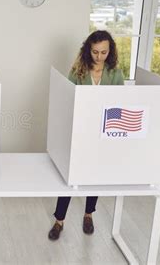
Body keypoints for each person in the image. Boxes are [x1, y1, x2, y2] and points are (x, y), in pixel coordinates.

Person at [48, 30, 124, 241]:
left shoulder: (115, 73)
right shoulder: (78, 71)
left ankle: (88, 214)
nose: (99, 56)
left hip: (102, 132)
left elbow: (120, 103)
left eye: (103, 52)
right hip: (80, 130)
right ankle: (59, 220)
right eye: (95, 52)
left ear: (110, 51)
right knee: (71, 177)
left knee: (95, 176)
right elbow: (68, 98)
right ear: (87, 50)